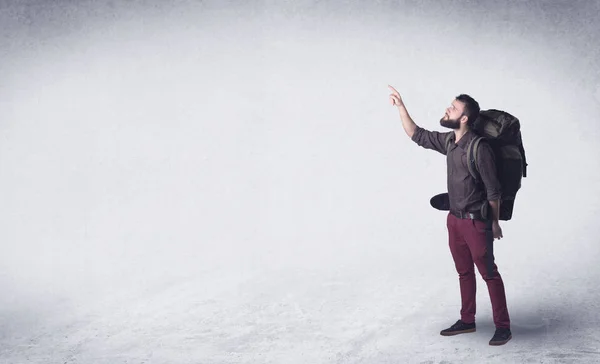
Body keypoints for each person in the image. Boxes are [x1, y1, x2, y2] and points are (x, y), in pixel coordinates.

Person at [387, 85, 512, 346]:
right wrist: (401, 107)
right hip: (454, 220)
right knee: (463, 272)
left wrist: (495, 223)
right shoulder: (449, 141)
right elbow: (417, 135)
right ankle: (467, 320)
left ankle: (503, 326)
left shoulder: (480, 148)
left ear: (464, 118)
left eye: (453, 108)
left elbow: (494, 190)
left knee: (489, 273)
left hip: (477, 223)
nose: (447, 109)